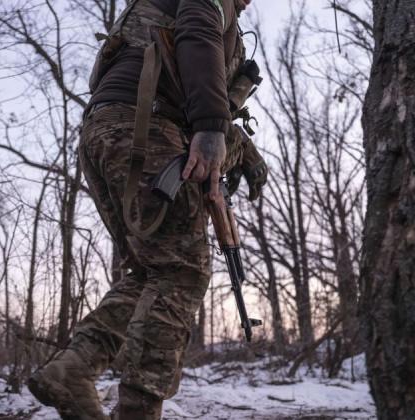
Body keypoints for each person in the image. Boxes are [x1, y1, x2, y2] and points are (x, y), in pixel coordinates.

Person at [27, 0, 266, 418]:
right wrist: (212, 126)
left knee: (151, 270)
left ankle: (73, 369)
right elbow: (196, 32)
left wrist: (235, 129)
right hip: (144, 128)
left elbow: (182, 56)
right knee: (181, 271)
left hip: (106, 131)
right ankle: (137, 409)